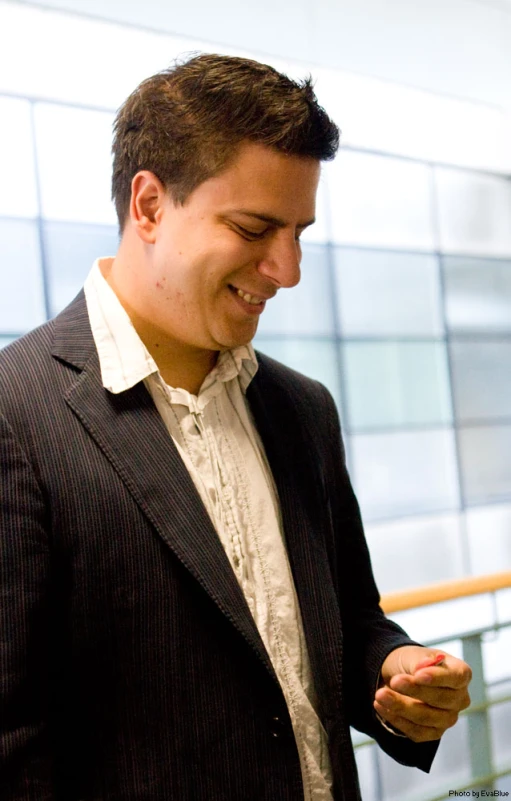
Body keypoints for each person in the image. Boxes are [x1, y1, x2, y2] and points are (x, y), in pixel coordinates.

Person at [0, 53, 471, 800]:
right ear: (149, 206)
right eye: (255, 228)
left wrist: (396, 673)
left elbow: (342, 624)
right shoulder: (14, 413)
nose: (286, 269)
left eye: (298, 231)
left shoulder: (301, 408)